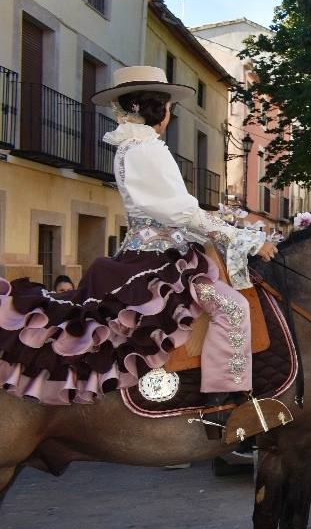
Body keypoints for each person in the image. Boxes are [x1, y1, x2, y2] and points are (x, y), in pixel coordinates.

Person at [0, 66, 275, 407]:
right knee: (233, 309)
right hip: (159, 260)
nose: (170, 115)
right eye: (169, 107)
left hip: (152, 251)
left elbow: (173, 210)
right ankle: (223, 399)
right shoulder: (147, 149)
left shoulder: (133, 146)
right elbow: (178, 212)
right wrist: (245, 239)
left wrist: (223, 223)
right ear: (157, 108)